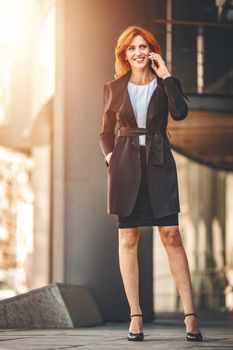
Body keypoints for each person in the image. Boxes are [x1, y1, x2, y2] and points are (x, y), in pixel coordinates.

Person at [99, 25, 203, 342]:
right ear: (124, 54)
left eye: (143, 47)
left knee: (172, 236)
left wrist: (167, 72)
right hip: (126, 167)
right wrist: (110, 157)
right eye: (132, 48)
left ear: (152, 51)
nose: (138, 52)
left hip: (159, 164)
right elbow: (105, 131)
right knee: (128, 239)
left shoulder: (165, 85)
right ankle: (136, 316)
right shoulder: (113, 88)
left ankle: (190, 315)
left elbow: (181, 112)